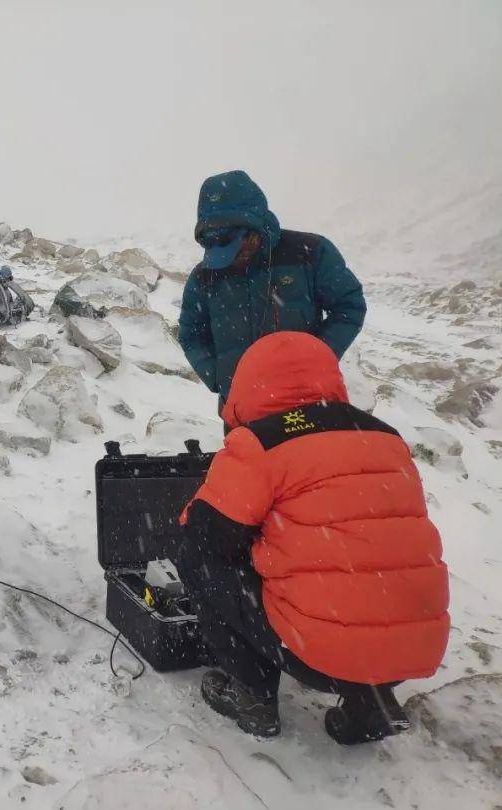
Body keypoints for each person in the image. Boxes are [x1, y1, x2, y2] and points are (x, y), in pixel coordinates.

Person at [177, 331, 449, 744]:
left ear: (248, 384)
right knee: (363, 575)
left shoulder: (261, 442)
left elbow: (206, 535)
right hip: (416, 647)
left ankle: (253, 697)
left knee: (197, 557)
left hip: (317, 654)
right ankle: (369, 699)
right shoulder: (385, 437)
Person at [178, 170, 367, 423]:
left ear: (254, 225)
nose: (230, 258)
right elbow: (191, 334)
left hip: (307, 400)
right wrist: (220, 378)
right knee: (247, 463)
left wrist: (315, 360)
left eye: (235, 247)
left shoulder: (308, 253)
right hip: (240, 407)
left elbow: (349, 306)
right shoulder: (204, 277)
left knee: (309, 463)